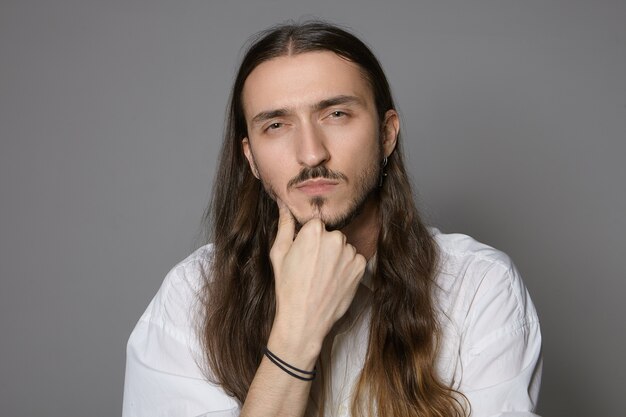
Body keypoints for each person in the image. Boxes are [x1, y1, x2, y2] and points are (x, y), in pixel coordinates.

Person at [122, 21, 542, 417]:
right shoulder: (192, 298)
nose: (310, 153)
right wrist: (295, 336)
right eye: (276, 125)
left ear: (386, 134)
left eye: (336, 114)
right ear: (250, 158)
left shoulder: (478, 288)